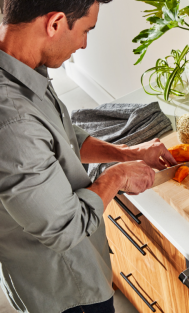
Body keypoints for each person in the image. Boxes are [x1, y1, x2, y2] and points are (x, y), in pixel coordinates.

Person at [0, 1, 178, 312]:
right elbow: (67, 228)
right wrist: (117, 174)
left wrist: (126, 151)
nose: (84, 43)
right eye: (86, 31)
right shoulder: (12, 123)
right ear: (55, 23)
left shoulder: (23, 66)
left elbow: (64, 137)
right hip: (67, 290)